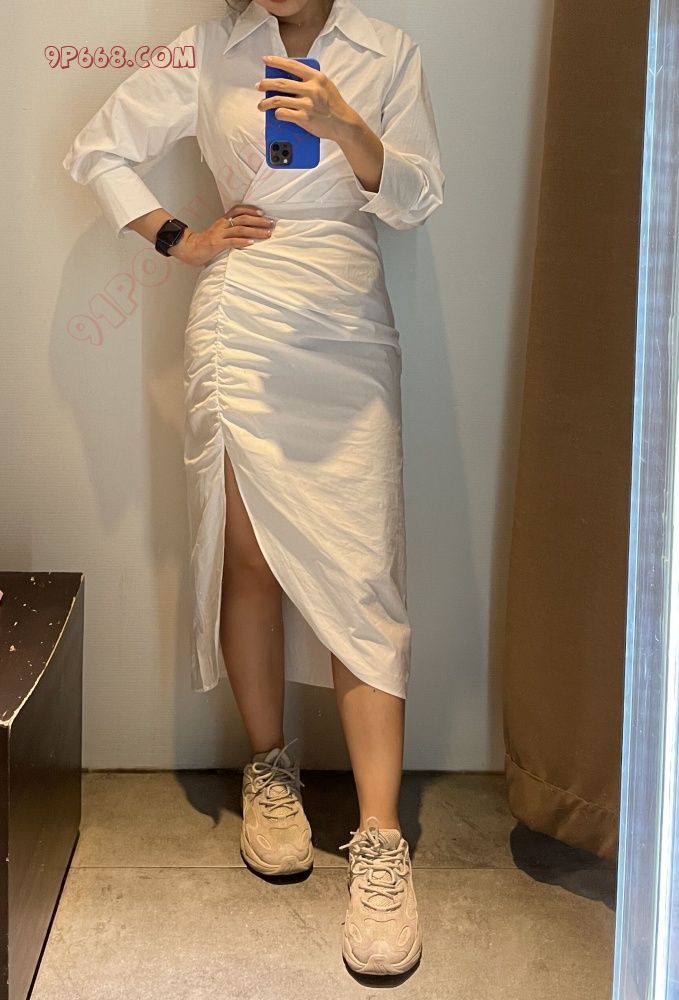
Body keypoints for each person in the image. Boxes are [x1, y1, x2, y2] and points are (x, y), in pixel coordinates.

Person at [63, 0, 444, 977]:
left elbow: (416, 198)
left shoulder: (386, 52)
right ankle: (269, 770)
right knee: (249, 559)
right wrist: (178, 237)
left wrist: (346, 125)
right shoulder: (208, 50)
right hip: (242, 316)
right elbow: (98, 148)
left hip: (346, 318)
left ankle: (379, 840)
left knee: (363, 574)